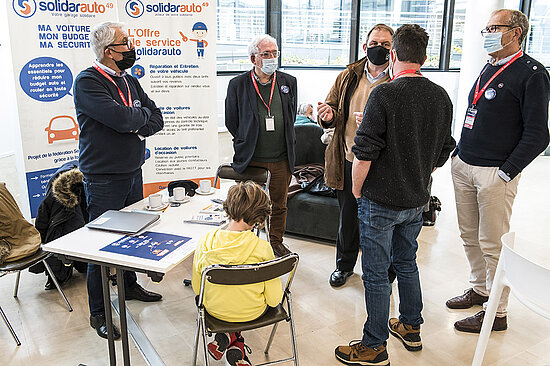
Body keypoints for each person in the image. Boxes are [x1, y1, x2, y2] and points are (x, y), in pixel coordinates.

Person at [334, 24, 456, 365]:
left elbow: (364, 152)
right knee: (406, 262)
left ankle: (374, 344)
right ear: (426, 58)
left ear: (393, 55)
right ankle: (410, 326)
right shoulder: (441, 96)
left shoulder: (385, 95)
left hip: (380, 201)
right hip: (417, 200)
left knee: (374, 273)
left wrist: (357, 190)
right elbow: (445, 149)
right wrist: (420, 172)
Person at [447, 9, 549, 333]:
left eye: (494, 27)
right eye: (486, 28)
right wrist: (457, 154)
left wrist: (507, 172)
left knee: (493, 242)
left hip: (494, 173)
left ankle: (497, 310)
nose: (487, 33)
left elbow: (538, 134)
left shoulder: (533, 73)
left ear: (516, 32)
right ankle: (479, 289)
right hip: (465, 164)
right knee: (468, 236)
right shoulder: (489, 66)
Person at [73, 21, 164, 340]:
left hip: (132, 171)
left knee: (133, 236)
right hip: (103, 177)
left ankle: (129, 284)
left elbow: (156, 116)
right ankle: (98, 311)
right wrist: (136, 121)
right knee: (101, 245)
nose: (133, 46)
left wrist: (134, 123)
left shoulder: (129, 80)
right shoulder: (87, 81)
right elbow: (120, 118)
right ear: (109, 51)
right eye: (127, 42)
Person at [317, 24, 393, 287]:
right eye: (374, 43)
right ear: (365, 46)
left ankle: (381, 271)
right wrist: (328, 116)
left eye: (385, 45)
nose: (379, 49)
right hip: (349, 159)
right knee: (348, 218)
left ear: (393, 48)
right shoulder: (348, 76)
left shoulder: (397, 79)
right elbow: (332, 109)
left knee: (381, 222)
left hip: (383, 165)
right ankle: (344, 266)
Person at [191, 181, 283, 366]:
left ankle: (227, 337)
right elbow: (274, 300)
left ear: (228, 207)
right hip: (253, 312)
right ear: (259, 216)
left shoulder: (206, 241)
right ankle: (236, 346)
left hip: (216, 311)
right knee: (242, 302)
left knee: (229, 303)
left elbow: (196, 288)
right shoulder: (263, 248)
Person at [225, 34, 298, 257]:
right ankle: (246, 243)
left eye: (275, 53)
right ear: (253, 58)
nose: (271, 58)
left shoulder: (288, 82)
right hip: (252, 157)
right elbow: (232, 121)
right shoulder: (237, 84)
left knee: (279, 204)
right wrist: (246, 140)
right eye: (266, 54)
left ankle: (276, 242)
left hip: (282, 158)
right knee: (247, 205)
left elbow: (290, 116)